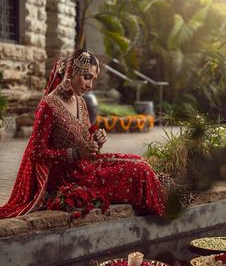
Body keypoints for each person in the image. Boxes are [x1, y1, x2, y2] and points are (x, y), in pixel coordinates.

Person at [0, 49, 167, 219]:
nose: (90, 85)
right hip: (69, 179)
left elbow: (87, 140)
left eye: (93, 79)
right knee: (140, 170)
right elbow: (37, 153)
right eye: (87, 77)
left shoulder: (80, 101)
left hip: (86, 167)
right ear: (71, 72)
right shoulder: (48, 106)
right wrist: (76, 153)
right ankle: (168, 215)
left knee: (141, 162)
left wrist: (97, 140)